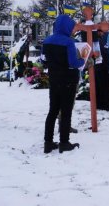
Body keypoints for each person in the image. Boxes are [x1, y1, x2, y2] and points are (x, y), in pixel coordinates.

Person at [41, 15, 85, 153]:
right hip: (68, 81)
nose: (73, 30)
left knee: (52, 111)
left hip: (54, 79)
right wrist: (82, 60)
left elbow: (43, 60)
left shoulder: (47, 41)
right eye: (71, 27)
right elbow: (73, 62)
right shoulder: (68, 42)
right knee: (66, 112)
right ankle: (64, 143)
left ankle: (48, 143)